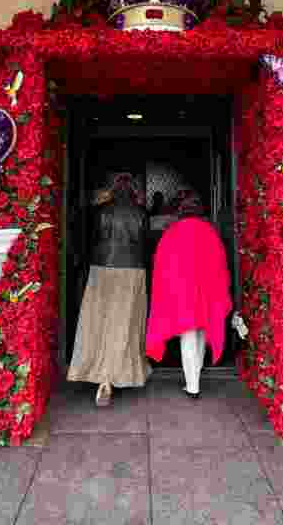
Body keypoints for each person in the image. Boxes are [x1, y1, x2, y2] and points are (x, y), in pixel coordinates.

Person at [67, 173, 152, 406]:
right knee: (125, 322)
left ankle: (97, 372)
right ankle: (118, 374)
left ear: (113, 190)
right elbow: (146, 245)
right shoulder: (141, 213)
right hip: (133, 270)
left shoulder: (100, 212)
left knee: (97, 321)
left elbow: (89, 241)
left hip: (101, 269)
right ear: (133, 192)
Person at [145, 191, 232, 398]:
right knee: (201, 332)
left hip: (182, 292)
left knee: (189, 334)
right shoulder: (210, 231)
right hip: (207, 291)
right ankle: (195, 380)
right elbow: (221, 265)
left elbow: (161, 265)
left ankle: (193, 385)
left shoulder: (172, 231)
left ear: (180, 210)